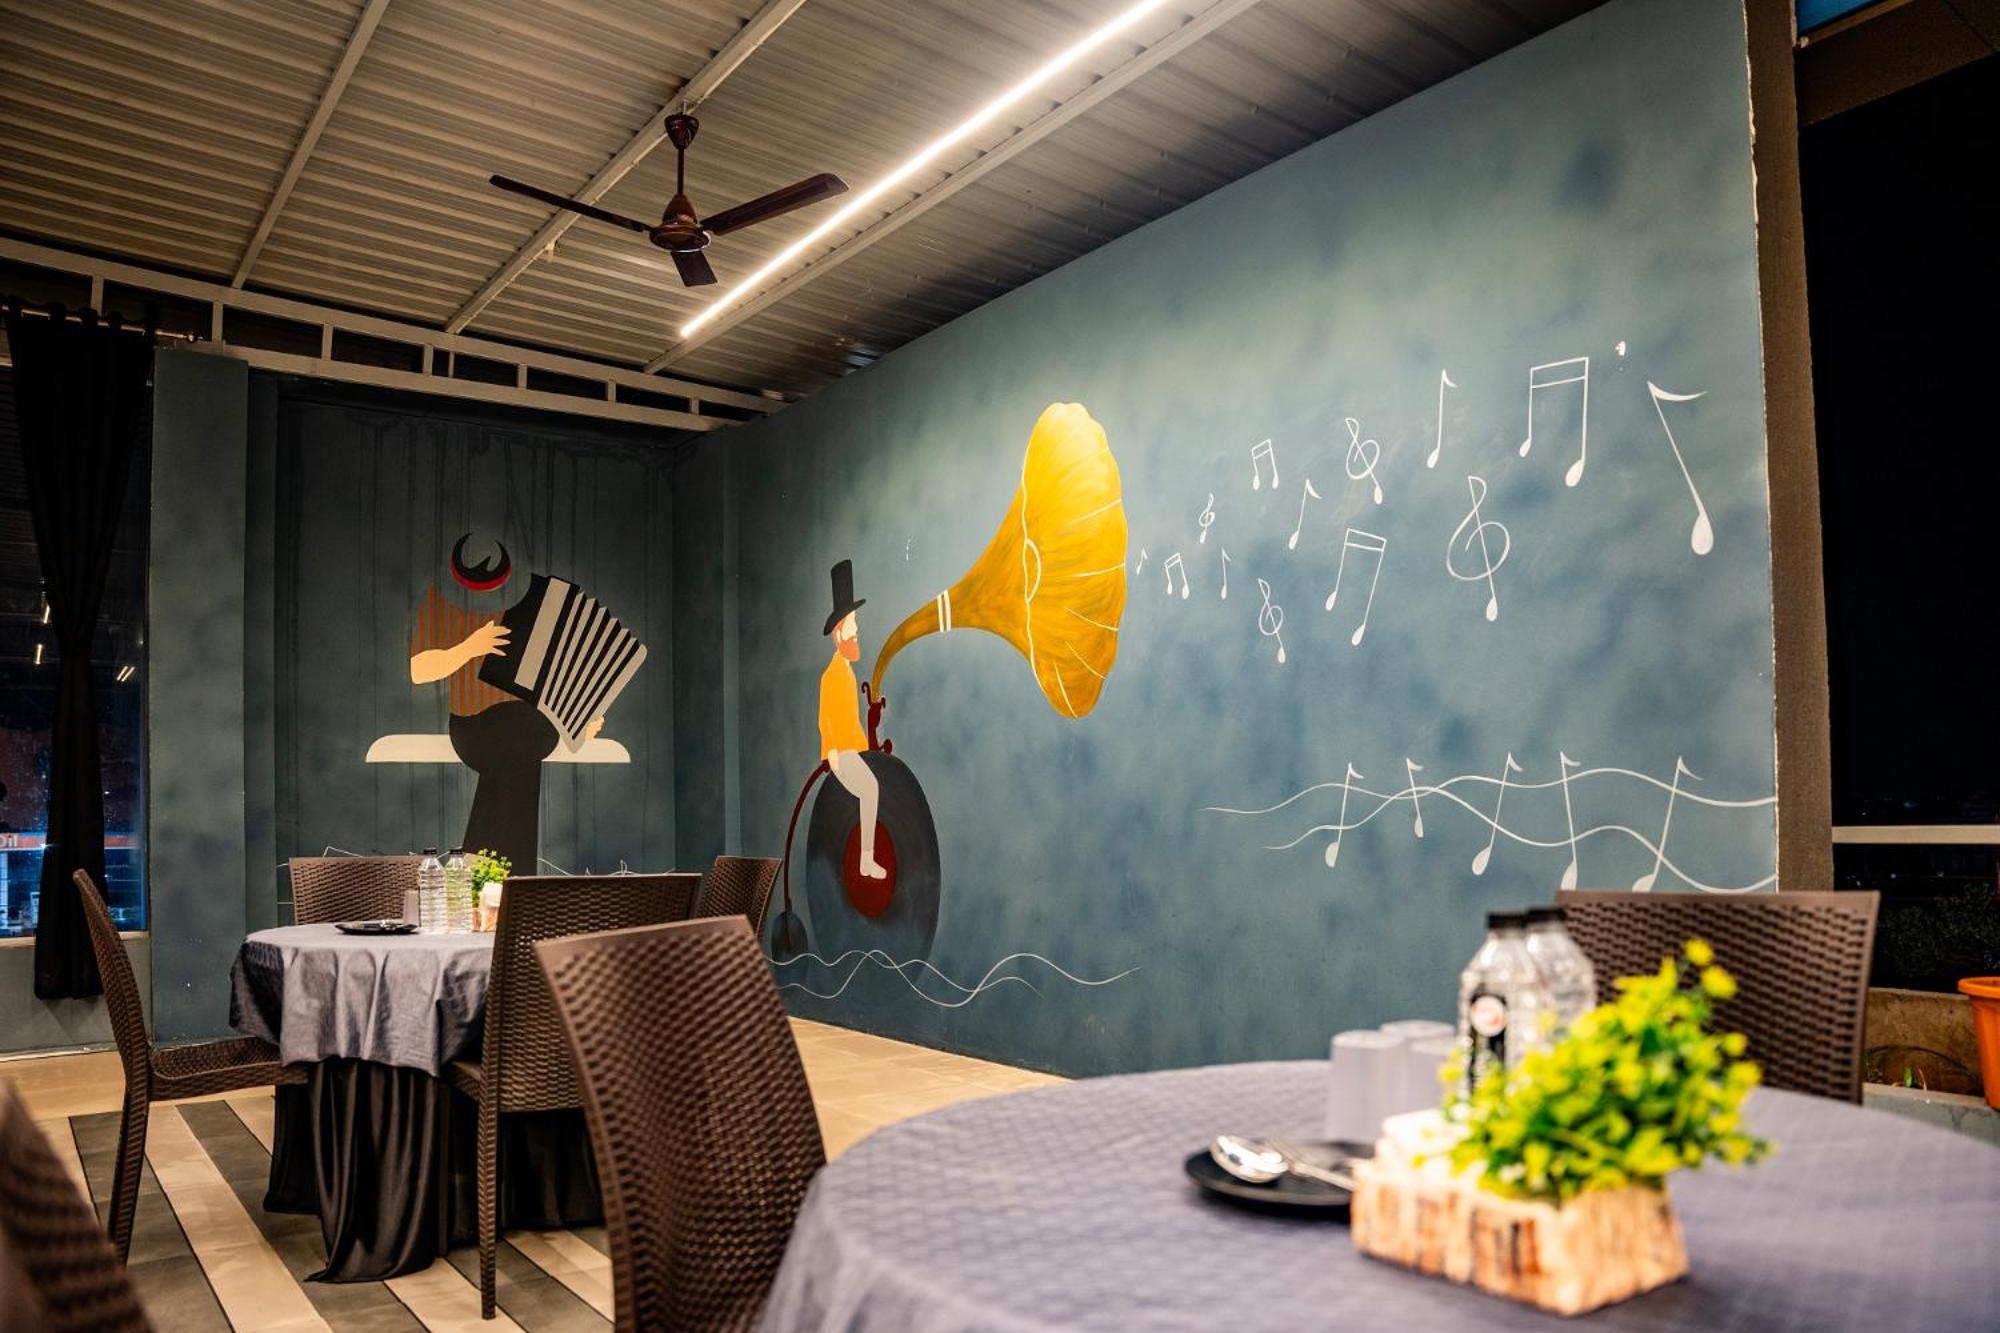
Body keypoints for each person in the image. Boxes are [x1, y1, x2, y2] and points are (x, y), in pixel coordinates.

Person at [819, 560, 886, 880]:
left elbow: (851, 724)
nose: (857, 630)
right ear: (839, 632)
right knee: (870, 789)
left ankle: (865, 857)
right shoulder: (832, 676)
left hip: (852, 750)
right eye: (853, 623)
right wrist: (831, 753)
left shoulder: (846, 673)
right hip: (841, 755)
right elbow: (826, 721)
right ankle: (865, 860)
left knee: (875, 785)